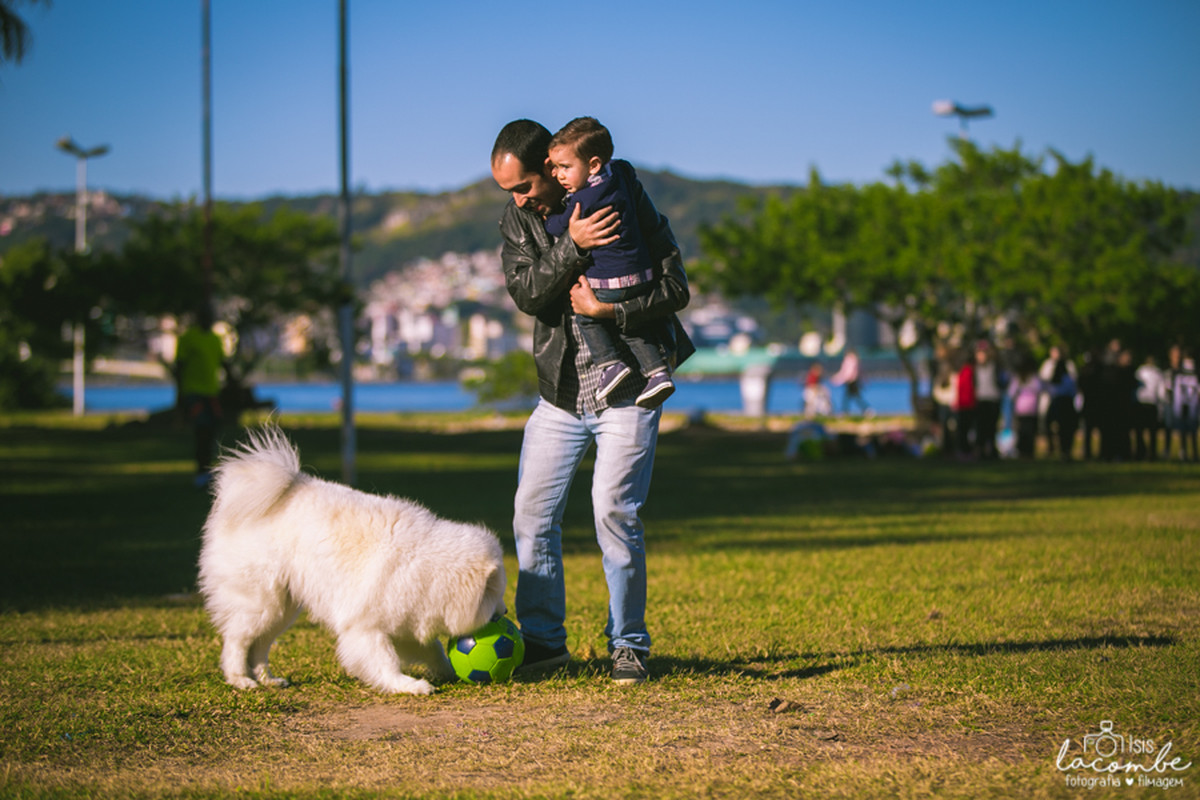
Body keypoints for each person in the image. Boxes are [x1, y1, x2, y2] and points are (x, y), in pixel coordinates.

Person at [489, 119, 694, 685]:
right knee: (532, 514)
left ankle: (628, 644)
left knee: (613, 512)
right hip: (559, 396)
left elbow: (676, 288)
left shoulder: (624, 196)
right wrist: (571, 245)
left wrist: (613, 314)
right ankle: (543, 642)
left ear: (554, 170)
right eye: (508, 190)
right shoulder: (519, 221)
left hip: (630, 391)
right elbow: (529, 293)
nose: (518, 199)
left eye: (526, 185)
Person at [543, 118, 675, 409]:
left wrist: (550, 219)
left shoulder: (583, 199)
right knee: (632, 327)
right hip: (642, 275)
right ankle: (657, 372)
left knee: (587, 317)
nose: (558, 176)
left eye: (565, 167)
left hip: (610, 280)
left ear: (592, 165)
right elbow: (625, 165)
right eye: (554, 167)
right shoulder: (621, 175)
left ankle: (610, 364)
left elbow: (559, 227)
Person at [174, 306, 226, 487]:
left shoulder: (215, 339)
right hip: (194, 392)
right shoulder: (189, 338)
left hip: (212, 393)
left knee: (212, 432)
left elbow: (223, 363)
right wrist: (180, 394)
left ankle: (208, 470)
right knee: (202, 430)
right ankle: (200, 472)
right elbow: (179, 366)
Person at [1133, 354, 1165, 461]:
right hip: (1150, 404)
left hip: (1142, 403)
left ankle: (1140, 452)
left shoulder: (1140, 371)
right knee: (1152, 432)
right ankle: (1151, 454)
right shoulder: (1157, 373)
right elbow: (1161, 393)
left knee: (1140, 431)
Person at [1169, 354, 1199, 462]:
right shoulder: (1180, 377)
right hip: (1184, 407)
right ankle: (1184, 452)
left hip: (1190, 407)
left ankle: (1193, 453)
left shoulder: (1193, 377)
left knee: (1192, 431)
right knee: (1184, 431)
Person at [830, 348, 870, 415]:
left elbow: (846, 373)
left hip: (850, 381)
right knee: (851, 396)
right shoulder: (856, 360)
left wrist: (837, 380)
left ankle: (846, 411)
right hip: (853, 381)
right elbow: (859, 372)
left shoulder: (850, 360)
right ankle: (865, 409)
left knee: (851, 397)